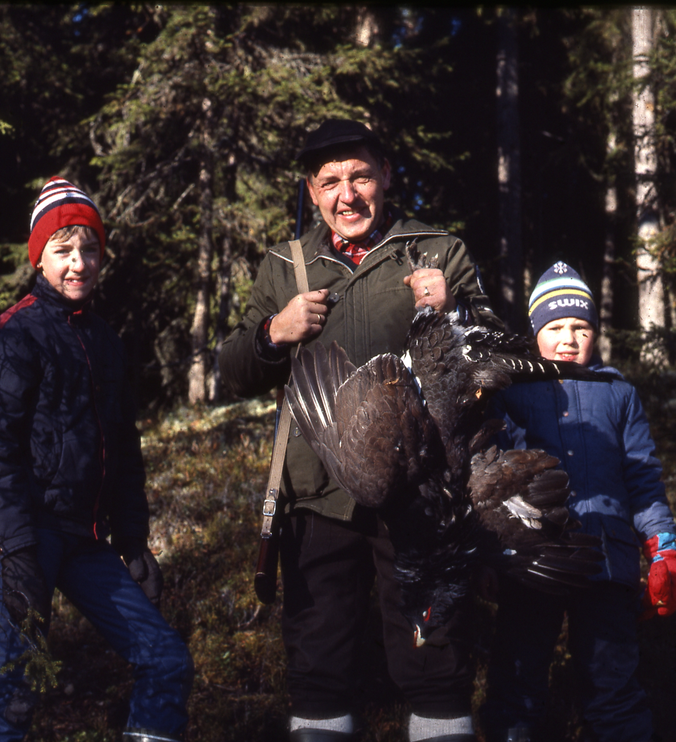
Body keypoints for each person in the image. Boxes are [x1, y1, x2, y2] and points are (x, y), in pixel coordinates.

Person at [219, 119, 503, 742]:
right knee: (319, 664)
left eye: (361, 177)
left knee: (436, 659)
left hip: (423, 496)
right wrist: (276, 332)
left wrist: (452, 310)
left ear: (386, 177)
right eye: (331, 182)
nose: (348, 195)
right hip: (315, 496)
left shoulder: (436, 250)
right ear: (312, 191)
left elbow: (494, 358)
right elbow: (231, 370)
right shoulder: (284, 266)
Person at [0, 177, 193, 742]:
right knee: (15, 688)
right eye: (64, 250)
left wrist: (134, 543)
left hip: (88, 542)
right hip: (31, 538)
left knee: (166, 661)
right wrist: (14, 548)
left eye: (89, 249)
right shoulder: (12, 335)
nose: (79, 263)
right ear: (38, 257)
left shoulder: (107, 341)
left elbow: (124, 448)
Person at [478, 261, 676, 742]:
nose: (568, 338)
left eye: (580, 326)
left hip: (607, 563)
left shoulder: (619, 392)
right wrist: (487, 556)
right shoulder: (510, 391)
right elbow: (488, 482)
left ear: (595, 332)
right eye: (554, 327)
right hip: (532, 562)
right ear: (534, 333)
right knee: (517, 688)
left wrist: (664, 548)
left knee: (613, 688)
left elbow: (642, 477)